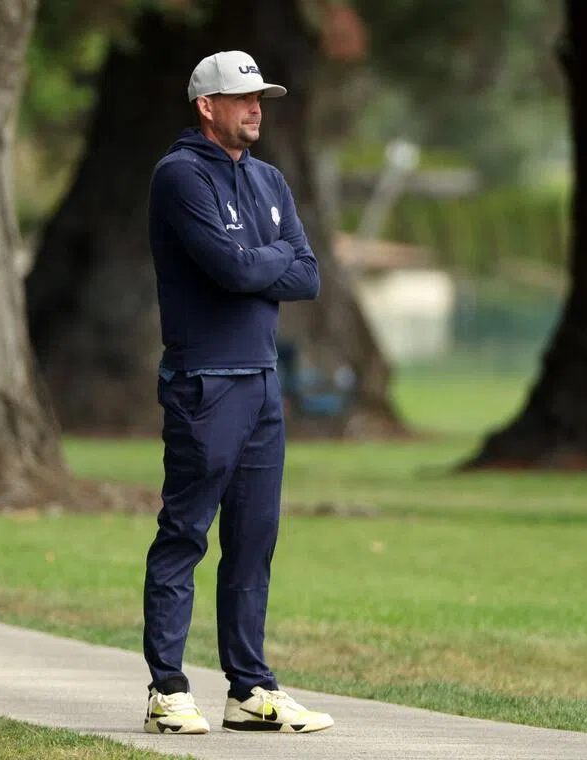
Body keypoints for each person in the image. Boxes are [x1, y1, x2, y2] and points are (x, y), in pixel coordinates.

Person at [141, 50, 330, 735]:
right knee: (186, 533)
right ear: (207, 106)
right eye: (242, 97)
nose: (256, 107)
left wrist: (261, 263)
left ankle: (249, 689)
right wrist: (262, 261)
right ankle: (166, 689)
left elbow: (306, 275)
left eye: (261, 98)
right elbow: (226, 268)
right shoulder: (179, 176)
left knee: (253, 540)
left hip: (260, 384)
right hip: (203, 384)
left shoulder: (270, 179)